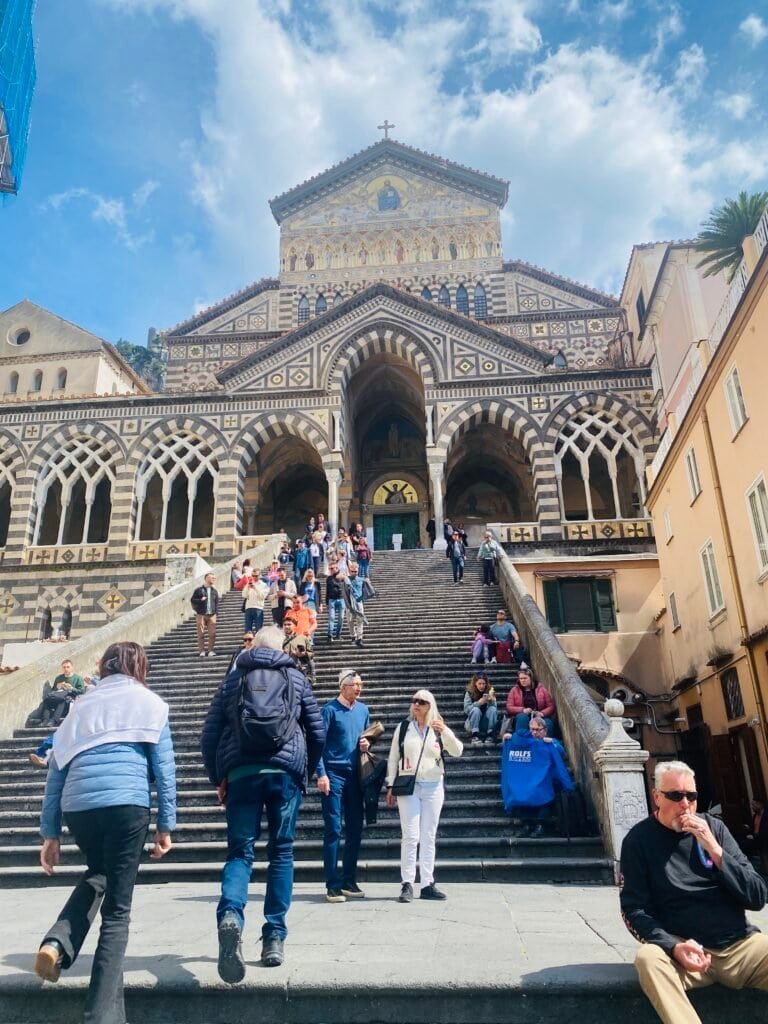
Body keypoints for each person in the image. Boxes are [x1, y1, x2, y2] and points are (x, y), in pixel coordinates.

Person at [35, 642, 176, 1023]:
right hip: (126, 805)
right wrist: (166, 824)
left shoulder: (80, 706)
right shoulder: (150, 703)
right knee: (117, 912)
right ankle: (102, 1016)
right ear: (138, 667)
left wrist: (50, 834)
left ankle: (57, 942)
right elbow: (164, 769)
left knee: (99, 872)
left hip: (79, 807)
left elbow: (55, 771)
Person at [201, 625, 324, 977]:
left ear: (253, 646)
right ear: (282, 645)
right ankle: (273, 936)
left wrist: (218, 777)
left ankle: (230, 916)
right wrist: (304, 771)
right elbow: (317, 732)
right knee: (281, 852)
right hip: (284, 776)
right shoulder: (296, 677)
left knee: (240, 853)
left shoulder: (233, 678)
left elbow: (208, 735)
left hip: (241, 774)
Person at [620, 760, 768, 1024]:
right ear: (656, 797)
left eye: (692, 796)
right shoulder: (638, 841)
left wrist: (716, 851)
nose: (685, 804)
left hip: (740, 946)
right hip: (684, 952)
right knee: (648, 959)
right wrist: (673, 946)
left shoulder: (716, 829)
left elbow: (757, 897)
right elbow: (633, 909)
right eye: (675, 795)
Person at [385, 689, 463, 902]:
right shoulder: (403, 728)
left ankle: (427, 882)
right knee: (410, 835)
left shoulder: (437, 729)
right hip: (409, 786)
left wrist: (445, 730)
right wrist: (390, 784)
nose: (417, 704)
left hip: (433, 786)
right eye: (414, 701)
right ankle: (407, 882)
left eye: (422, 701)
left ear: (431, 706)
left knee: (429, 835)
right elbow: (393, 758)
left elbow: (458, 750)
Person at [316, 670, 371, 902]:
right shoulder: (329, 710)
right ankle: (332, 883)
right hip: (334, 774)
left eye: (360, 684)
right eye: (354, 684)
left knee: (356, 828)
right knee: (333, 828)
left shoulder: (363, 710)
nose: (358, 688)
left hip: (355, 775)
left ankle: (349, 879)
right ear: (342, 686)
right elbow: (317, 744)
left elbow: (366, 737)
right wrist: (321, 774)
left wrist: (367, 744)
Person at [501, 716, 573, 837]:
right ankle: (527, 824)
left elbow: (560, 751)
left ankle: (540, 825)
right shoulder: (524, 742)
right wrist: (508, 739)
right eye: (532, 729)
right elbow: (513, 746)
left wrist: (550, 744)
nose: (535, 732)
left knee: (542, 790)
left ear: (545, 730)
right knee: (521, 790)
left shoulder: (549, 742)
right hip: (527, 782)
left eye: (538, 729)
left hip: (546, 780)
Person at [504, 666, 555, 736]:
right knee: (522, 718)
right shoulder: (514, 690)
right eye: (521, 678)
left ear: (531, 678)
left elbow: (550, 706)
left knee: (547, 723)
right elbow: (509, 707)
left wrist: (542, 713)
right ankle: (522, 742)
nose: (523, 680)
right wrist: (522, 710)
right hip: (522, 715)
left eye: (525, 678)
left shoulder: (541, 689)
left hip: (538, 715)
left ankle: (545, 743)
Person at [342, 561, 375, 647]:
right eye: (352, 571)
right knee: (350, 621)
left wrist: (368, 583)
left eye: (355, 571)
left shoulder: (361, 579)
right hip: (349, 604)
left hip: (359, 602)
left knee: (360, 620)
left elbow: (369, 590)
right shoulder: (346, 579)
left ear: (358, 571)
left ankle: (359, 638)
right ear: (350, 571)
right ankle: (353, 636)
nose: (354, 573)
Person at [464, 673, 498, 745]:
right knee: (476, 710)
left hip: (485, 722)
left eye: (483, 683)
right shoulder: (469, 693)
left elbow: (495, 711)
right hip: (472, 724)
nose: (482, 686)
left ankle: (490, 734)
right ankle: (474, 736)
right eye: (479, 683)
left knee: (492, 709)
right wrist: (478, 703)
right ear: (475, 683)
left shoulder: (490, 691)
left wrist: (491, 701)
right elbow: (466, 710)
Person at [191, 572, 219, 657]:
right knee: (201, 634)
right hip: (201, 614)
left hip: (212, 615)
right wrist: (200, 600)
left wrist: (216, 613)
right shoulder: (199, 590)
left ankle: (210, 650)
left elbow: (216, 602)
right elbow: (192, 600)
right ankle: (202, 651)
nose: (213, 579)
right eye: (212, 578)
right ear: (206, 578)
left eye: (214, 578)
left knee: (212, 634)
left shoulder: (214, 591)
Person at [236, 567, 269, 634]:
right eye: (253, 576)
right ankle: (248, 643)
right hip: (248, 608)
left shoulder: (264, 585)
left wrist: (255, 587)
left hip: (258, 608)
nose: (254, 577)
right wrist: (248, 587)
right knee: (247, 629)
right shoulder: (248, 583)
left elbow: (263, 596)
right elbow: (244, 595)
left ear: (260, 576)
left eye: (256, 576)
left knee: (258, 629)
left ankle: (258, 644)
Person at [325, 562, 345, 643]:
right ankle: (330, 635)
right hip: (331, 600)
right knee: (332, 617)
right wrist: (326, 601)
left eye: (333, 568)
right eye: (330, 568)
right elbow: (327, 590)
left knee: (341, 617)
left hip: (341, 599)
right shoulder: (329, 578)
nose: (331, 570)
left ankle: (338, 634)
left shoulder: (342, 576)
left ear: (337, 568)